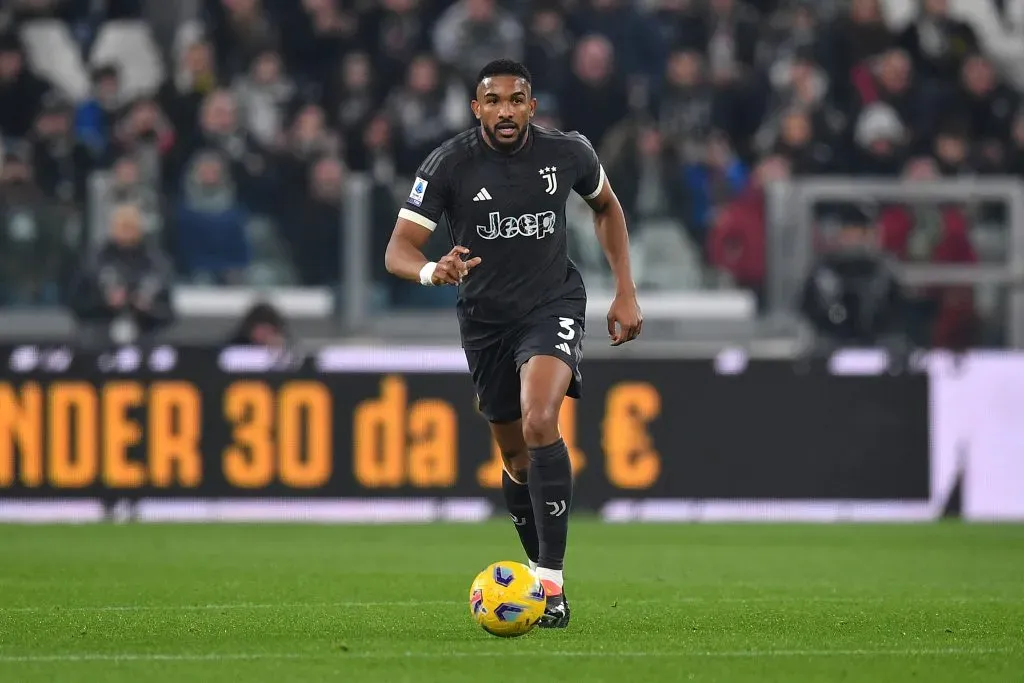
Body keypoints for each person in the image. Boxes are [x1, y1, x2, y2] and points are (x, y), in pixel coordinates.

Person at [384, 59, 642, 628]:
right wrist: (431, 270)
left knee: (540, 419)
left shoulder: (568, 152)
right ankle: (536, 572)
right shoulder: (449, 164)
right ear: (476, 108)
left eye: (516, 100)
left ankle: (550, 583)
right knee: (516, 459)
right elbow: (398, 249)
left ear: (531, 106)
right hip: (485, 323)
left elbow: (606, 206)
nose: (506, 111)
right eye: (494, 101)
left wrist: (625, 290)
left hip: (552, 305)